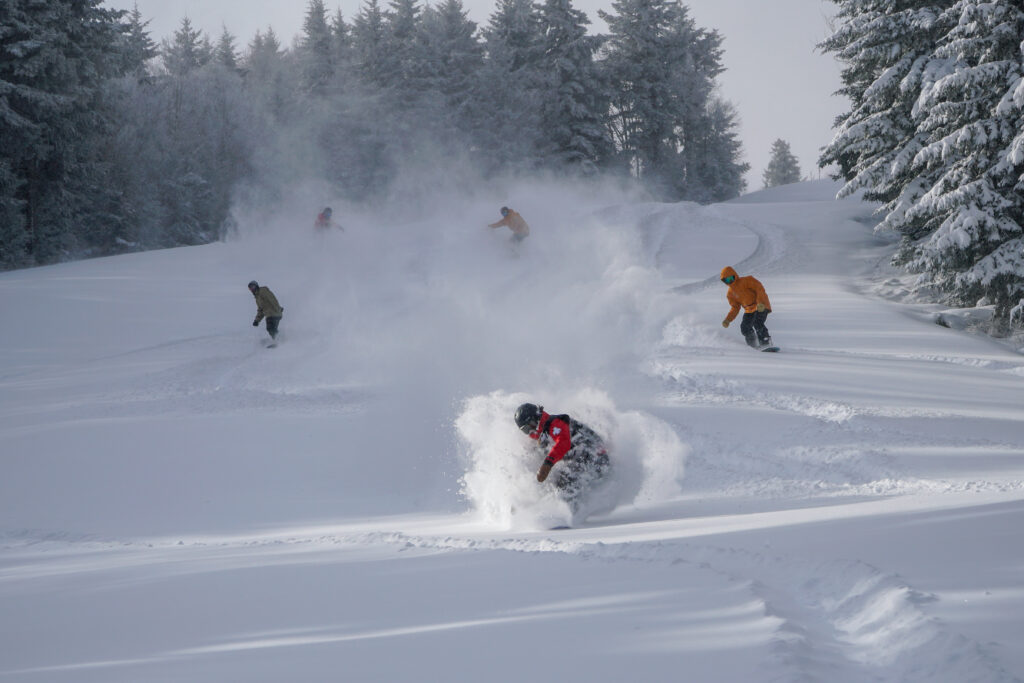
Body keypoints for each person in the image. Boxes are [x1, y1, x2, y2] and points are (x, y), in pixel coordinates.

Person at [514, 403, 610, 507]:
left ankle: (564, 513)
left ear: (535, 419)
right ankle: (530, 506)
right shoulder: (541, 436)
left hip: (596, 457)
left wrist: (547, 464)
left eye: (529, 427)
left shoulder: (554, 423)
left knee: (564, 480)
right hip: (582, 459)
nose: (530, 432)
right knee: (550, 481)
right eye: (525, 431)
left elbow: (563, 443)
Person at [720, 266, 773, 349]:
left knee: (757, 322)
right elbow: (735, 308)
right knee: (744, 327)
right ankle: (753, 346)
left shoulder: (746, 281)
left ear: (735, 275)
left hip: (761, 305)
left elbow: (759, 288)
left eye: (730, 278)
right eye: (726, 280)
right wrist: (728, 319)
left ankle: (766, 343)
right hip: (749, 310)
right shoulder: (730, 294)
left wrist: (760, 302)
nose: (729, 281)